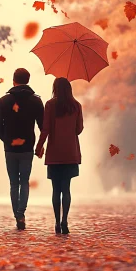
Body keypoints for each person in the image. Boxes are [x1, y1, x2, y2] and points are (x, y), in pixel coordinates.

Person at [0, 68, 44, 230]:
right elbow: (43, 126)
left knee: (13, 183)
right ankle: (21, 212)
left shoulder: (3, 102)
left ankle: (17, 215)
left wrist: (7, 141)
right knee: (24, 181)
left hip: (10, 149)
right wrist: (39, 145)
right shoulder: (36, 102)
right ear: (28, 80)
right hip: (28, 147)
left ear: (13, 80)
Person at [35, 77, 83, 235]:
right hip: (70, 152)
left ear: (55, 88)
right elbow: (79, 129)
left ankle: (56, 222)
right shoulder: (76, 106)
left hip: (55, 152)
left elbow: (46, 129)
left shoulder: (50, 105)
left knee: (56, 189)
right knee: (66, 188)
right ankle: (65, 221)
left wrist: (39, 145)